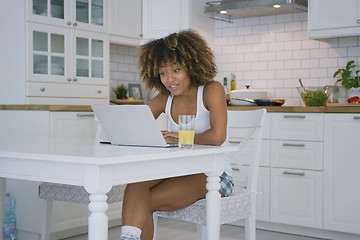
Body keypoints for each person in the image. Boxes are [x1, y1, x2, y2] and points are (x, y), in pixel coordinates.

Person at [120, 29, 234, 240]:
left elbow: (217, 137)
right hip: (179, 168)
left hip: (214, 174)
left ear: (192, 66)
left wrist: (181, 136)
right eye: (163, 72)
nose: (169, 79)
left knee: (145, 199)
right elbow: (137, 125)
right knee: (137, 182)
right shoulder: (165, 97)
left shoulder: (211, 89)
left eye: (176, 70)